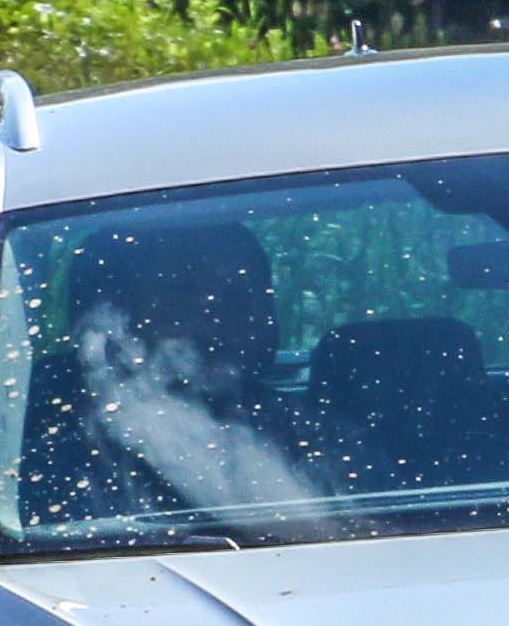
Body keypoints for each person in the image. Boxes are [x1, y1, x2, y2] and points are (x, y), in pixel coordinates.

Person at [67, 218, 324, 519]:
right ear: (125, 320)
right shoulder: (70, 453)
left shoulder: (316, 433)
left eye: (238, 296)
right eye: (184, 296)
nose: (217, 316)